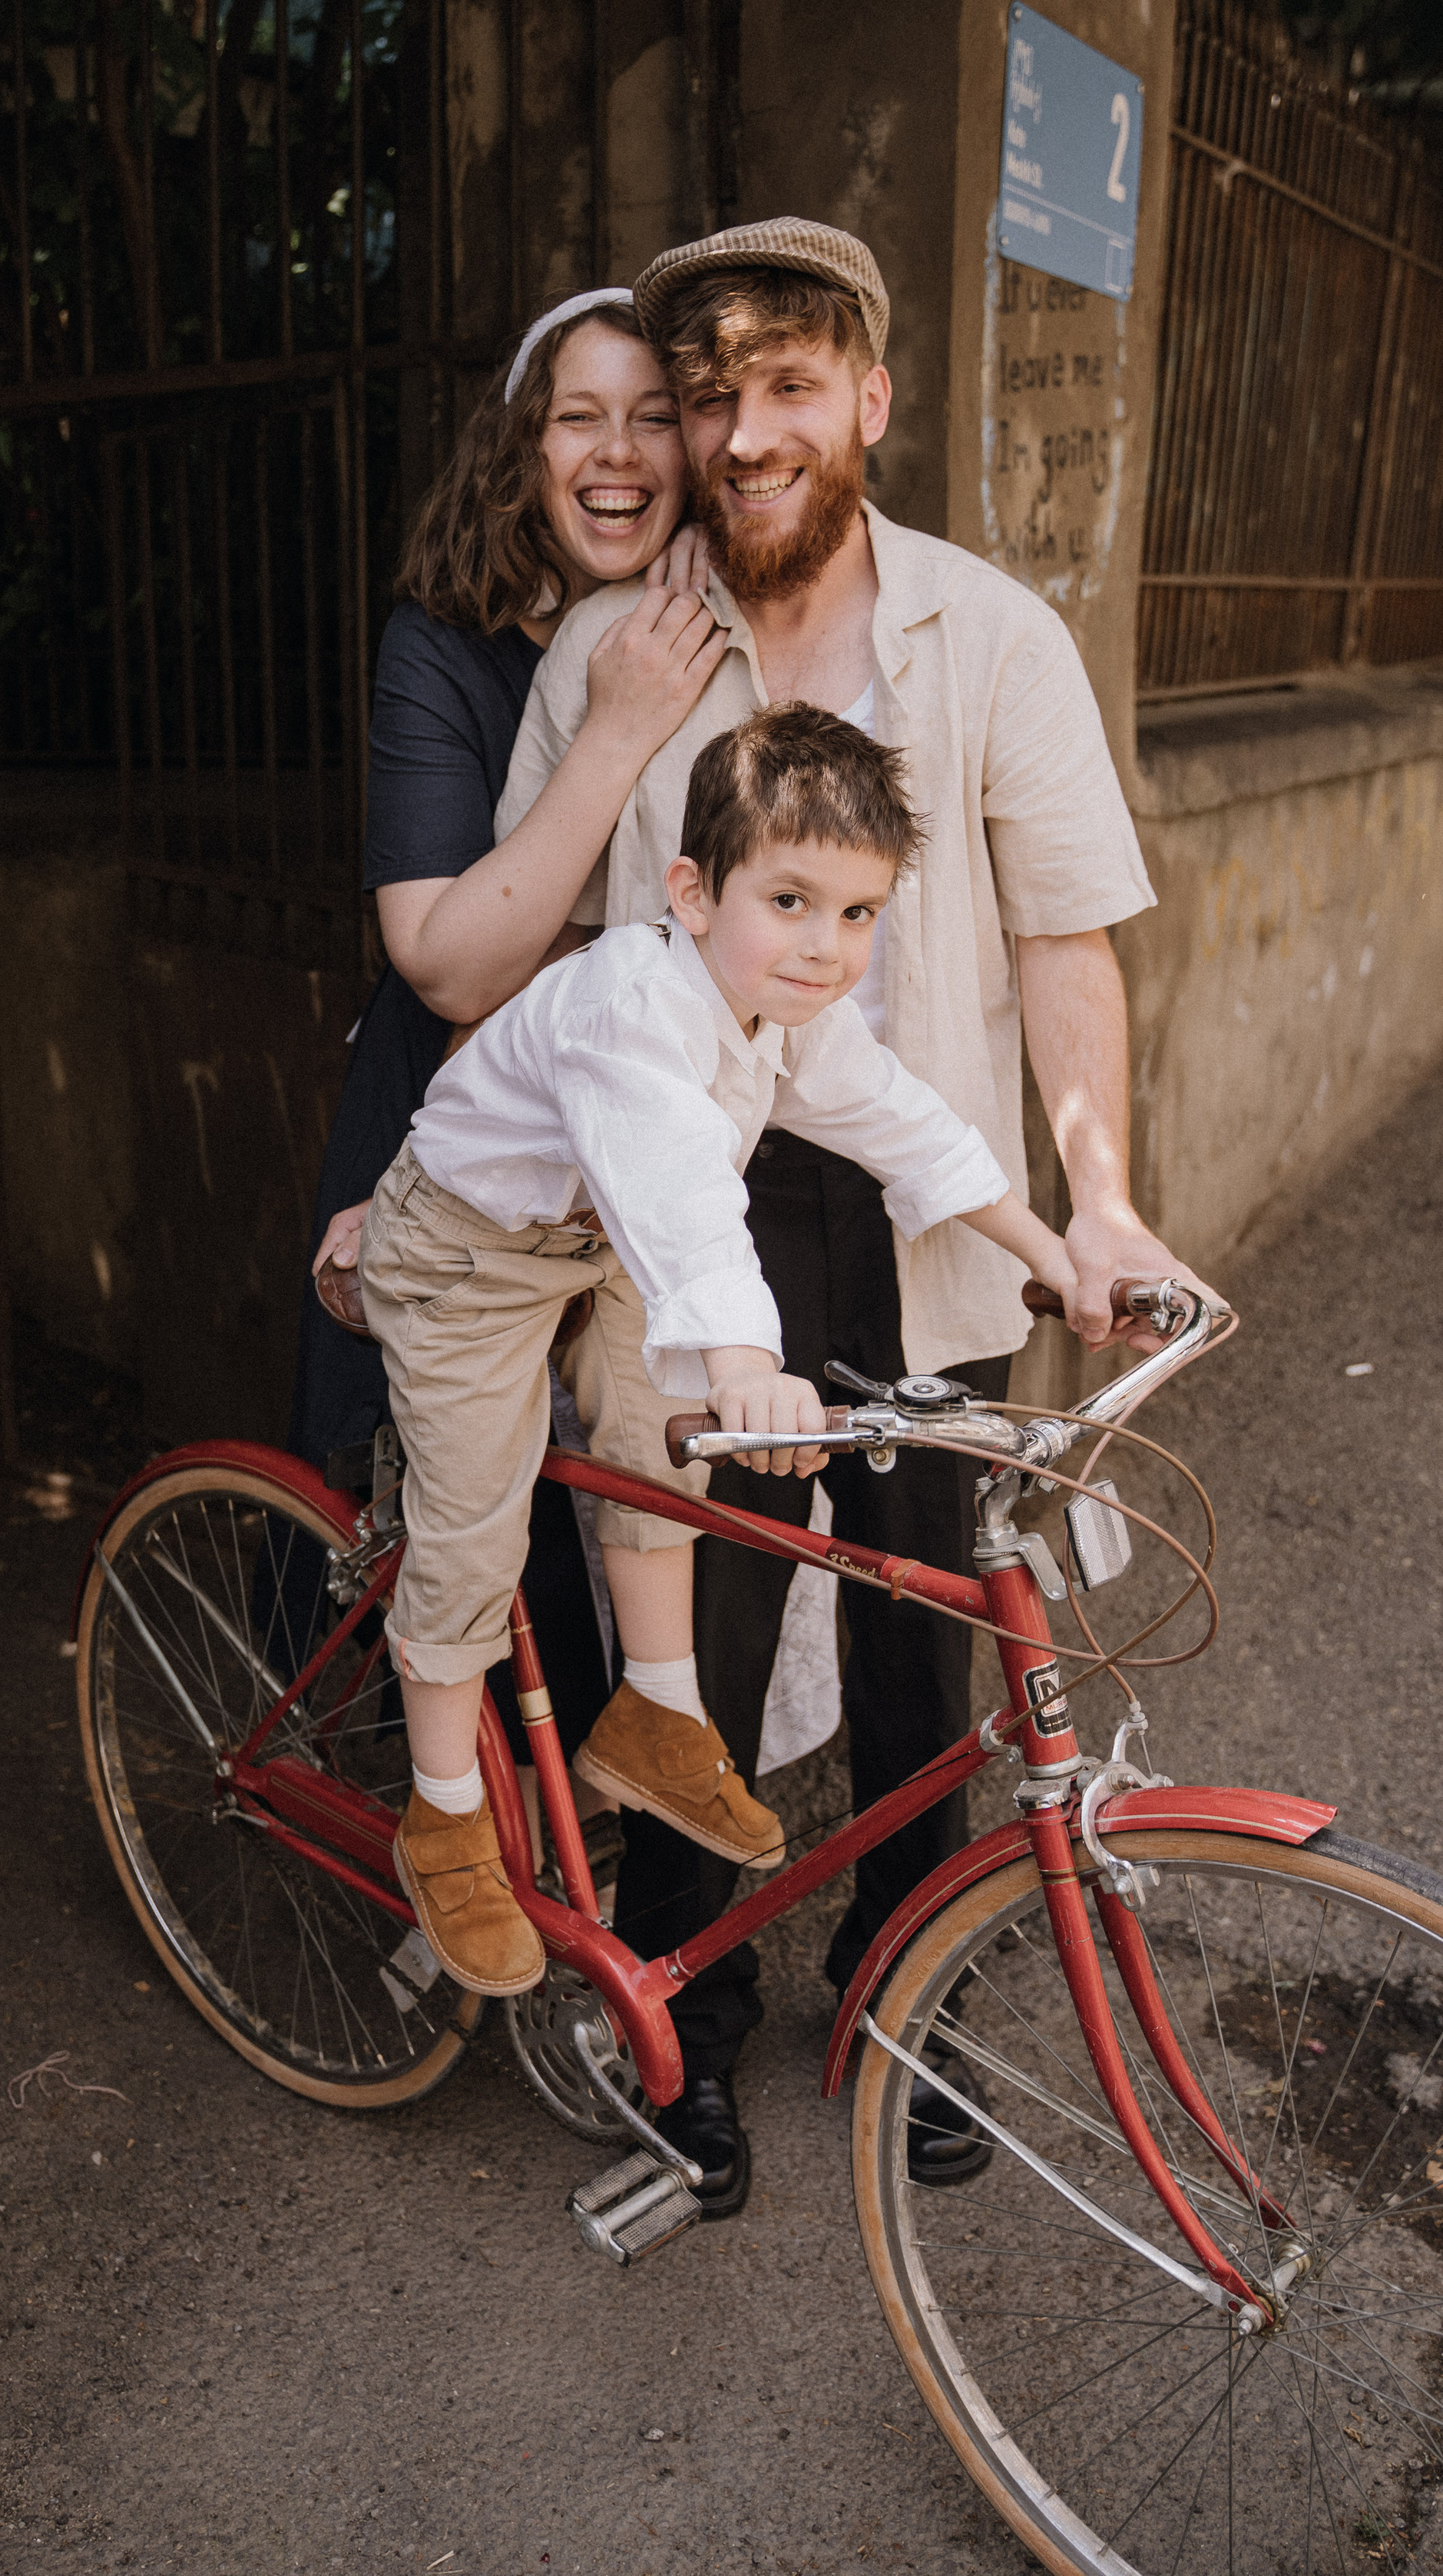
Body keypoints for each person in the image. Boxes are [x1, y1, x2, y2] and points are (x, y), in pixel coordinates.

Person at [495, 216, 1196, 2211]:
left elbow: (1068, 941)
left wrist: (1104, 1201)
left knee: (920, 1631)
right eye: (711, 395)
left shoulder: (993, 637)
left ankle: (915, 1988)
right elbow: (523, 939)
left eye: (788, 385)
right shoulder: (607, 652)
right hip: (694, 1210)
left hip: (920, 1190)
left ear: (870, 400)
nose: (745, 428)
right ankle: (680, 2007)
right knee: (691, 1628)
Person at [361, 703, 1077, 1994]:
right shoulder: (633, 1015)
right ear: (692, 893)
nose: (826, 948)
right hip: (468, 1248)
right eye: (792, 901)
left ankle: (658, 1711)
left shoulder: (782, 1006)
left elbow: (901, 1120)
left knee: (661, 1440)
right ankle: (446, 1813)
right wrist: (747, 1357)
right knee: (476, 1512)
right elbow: (685, 1192)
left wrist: (1053, 1250)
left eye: (859, 914)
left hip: (596, 1239)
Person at [290, 284, 730, 1867]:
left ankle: (607, 1896)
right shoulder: (443, 647)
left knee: (640, 1500)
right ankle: (446, 1860)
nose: (615, 454)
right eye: (575, 418)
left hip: (636, 1147)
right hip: (452, 1130)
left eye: (650, 416)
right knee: (459, 1527)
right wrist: (613, 722)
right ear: (521, 451)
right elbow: (452, 962)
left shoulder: (728, 609)